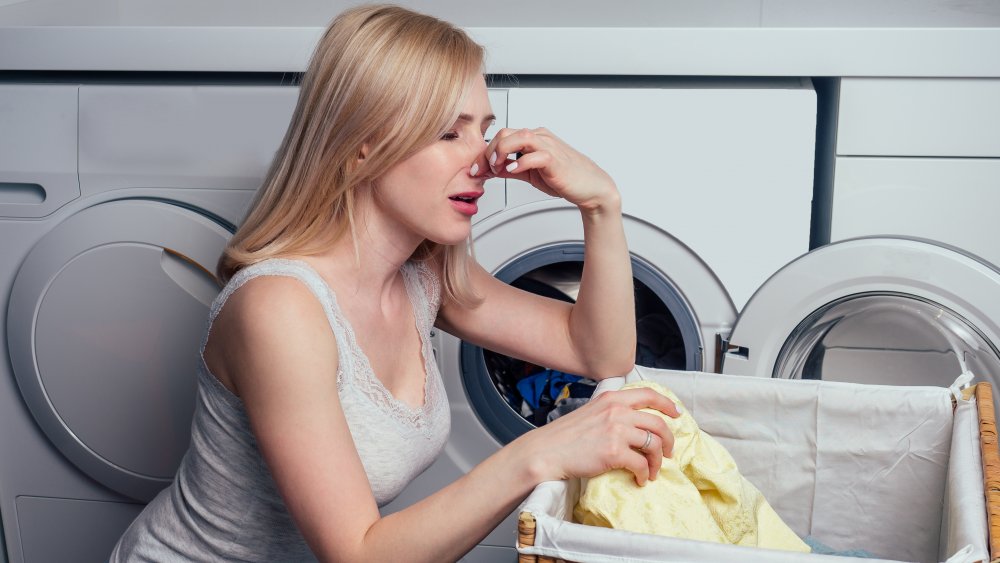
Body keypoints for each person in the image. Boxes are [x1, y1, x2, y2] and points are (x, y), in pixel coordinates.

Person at [111, 5, 678, 562]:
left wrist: (600, 204)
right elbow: (357, 554)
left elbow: (600, 353)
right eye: (446, 133)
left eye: (482, 131)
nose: (481, 160)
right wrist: (540, 453)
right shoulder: (279, 308)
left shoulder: (422, 276)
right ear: (362, 147)